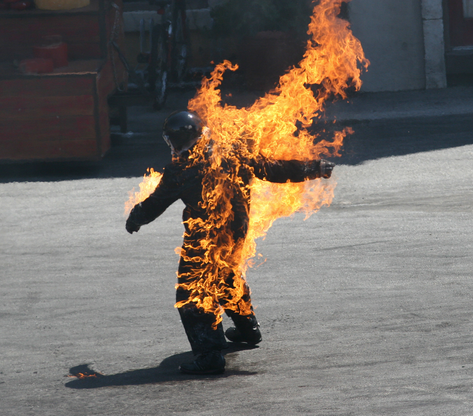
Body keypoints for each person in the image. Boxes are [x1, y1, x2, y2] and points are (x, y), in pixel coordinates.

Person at [126, 111, 334, 374]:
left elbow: (154, 204)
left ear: (180, 142)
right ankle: (249, 330)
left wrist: (134, 219)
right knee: (226, 277)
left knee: (193, 294)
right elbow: (274, 169)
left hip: (206, 240)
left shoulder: (181, 170)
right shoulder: (234, 152)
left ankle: (209, 356)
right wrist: (314, 167)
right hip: (236, 233)